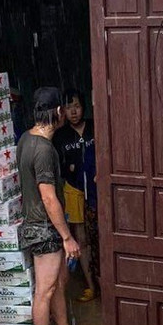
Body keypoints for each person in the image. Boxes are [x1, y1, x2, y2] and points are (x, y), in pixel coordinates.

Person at [17, 86, 81, 325]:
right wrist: (67, 237)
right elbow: (48, 197)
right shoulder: (43, 149)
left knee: (55, 286)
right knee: (44, 291)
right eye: (63, 108)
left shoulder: (25, 138)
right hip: (44, 228)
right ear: (58, 111)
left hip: (38, 225)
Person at [54, 89, 97, 301]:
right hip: (74, 190)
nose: (74, 112)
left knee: (100, 237)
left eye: (77, 106)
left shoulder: (94, 127)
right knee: (81, 239)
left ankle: (106, 283)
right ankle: (91, 286)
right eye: (69, 108)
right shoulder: (61, 135)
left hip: (98, 191)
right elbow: (57, 166)